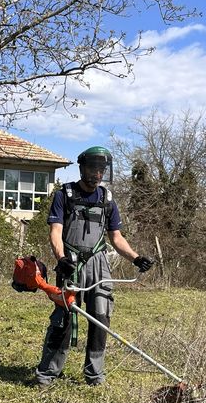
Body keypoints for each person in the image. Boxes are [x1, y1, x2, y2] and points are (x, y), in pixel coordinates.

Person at [35, 145, 153, 387]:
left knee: (101, 316)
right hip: (71, 264)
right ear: (83, 168)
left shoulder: (107, 200)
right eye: (93, 168)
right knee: (64, 317)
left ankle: (94, 375)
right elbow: (55, 231)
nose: (97, 174)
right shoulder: (64, 195)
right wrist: (61, 258)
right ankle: (47, 374)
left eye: (101, 169)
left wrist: (136, 257)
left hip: (99, 265)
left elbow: (116, 237)